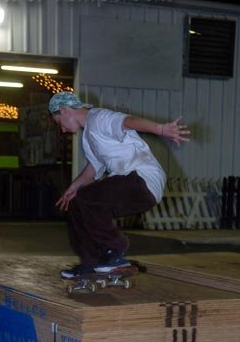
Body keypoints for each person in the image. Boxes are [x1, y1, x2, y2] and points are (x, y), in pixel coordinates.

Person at [48, 91, 190, 279]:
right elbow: (93, 169)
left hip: (142, 179)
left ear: (65, 110)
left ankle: (115, 250)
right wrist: (73, 187)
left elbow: (128, 122)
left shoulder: (98, 118)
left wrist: (161, 129)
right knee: (76, 204)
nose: (63, 130)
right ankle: (91, 262)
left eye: (59, 123)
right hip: (127, 186)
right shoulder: (88, 138)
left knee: (86, 198)